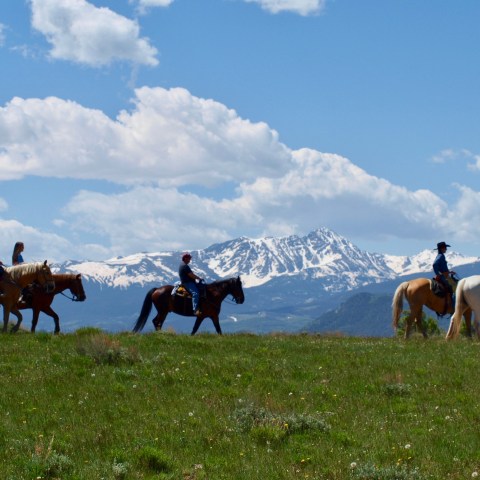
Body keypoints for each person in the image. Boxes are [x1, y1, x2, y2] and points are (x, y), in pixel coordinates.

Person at [433, 241, 455, 305]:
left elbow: (441, 267)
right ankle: (453, 305)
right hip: (443, 276)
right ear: (442, 248)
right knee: (452, 288)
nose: (446, 249)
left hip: (444, 275)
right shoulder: (441, 256)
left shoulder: (441, 256)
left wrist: (449, 272)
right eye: (445, 248)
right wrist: (439, 274)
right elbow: (435, 264)